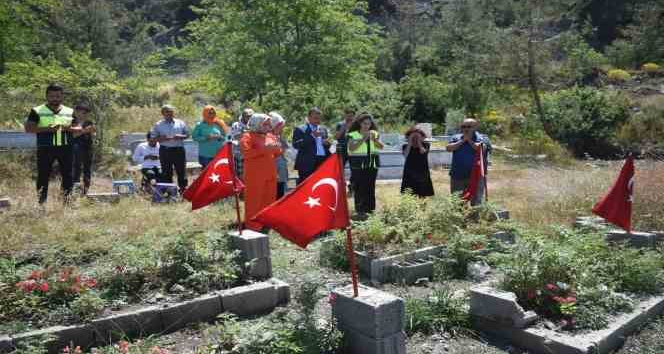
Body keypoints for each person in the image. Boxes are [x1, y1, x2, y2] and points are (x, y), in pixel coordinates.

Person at [24, 83, 81, 204]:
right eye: (52, 96)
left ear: (62, 97)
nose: (55, 99)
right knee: (43, 176)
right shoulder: (37, 110)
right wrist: (50, 129)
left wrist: (66, 128)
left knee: (68, 176)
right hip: (46, 148)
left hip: (66, 147)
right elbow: (29, 128)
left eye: (58, 96)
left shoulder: (69, 111)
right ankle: (41, 203)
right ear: (46, 96)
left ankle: (67, 202)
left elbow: (78, 129)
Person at [240, 113, 282, 231]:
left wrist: (277, 147)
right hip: (255, 175)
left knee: (269, 199)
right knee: (254, 200)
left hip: (270, 173)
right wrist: (264, 149)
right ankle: (252, 226)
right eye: (265, 123)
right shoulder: (247, 136)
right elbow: (246, 153)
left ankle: (265, 223)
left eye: (269, 123)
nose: (268, 126)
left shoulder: (270, 136)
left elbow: (278, 152)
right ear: (257, 123)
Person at [445, 118, 491, 205]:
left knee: (476, 202)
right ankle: (459, 218)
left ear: (475, 127)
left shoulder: (483, 137)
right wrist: (462, 141)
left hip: (476, 176)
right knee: (458, 202)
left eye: (469, 126)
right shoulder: (456, 137)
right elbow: (448, 148)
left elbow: (480, 148)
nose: (466, 129)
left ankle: (474, 218)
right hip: (458, 175)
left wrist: (469, 140)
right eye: (463, 126)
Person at [347, 113, 383, 217]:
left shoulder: (375, 133)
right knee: (359, 187)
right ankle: (360, 210)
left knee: (370, 186)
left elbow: (381, 147)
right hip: (358, 164)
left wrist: (374, 140)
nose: (367, 126)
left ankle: (370, 209)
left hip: (372, 163)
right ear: (359, 123)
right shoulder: (353, 134)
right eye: (364, 123)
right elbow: (351, 148)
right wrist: (363, 138)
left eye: (369, 123)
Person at [150, 104, 190, 192]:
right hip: (165, 150)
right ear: (163, 113)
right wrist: (161, 138)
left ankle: (184, 192)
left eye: (171, 111)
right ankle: (170, 192)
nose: (169, 113)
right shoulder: (158, 125)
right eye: (167, 112)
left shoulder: (180, 122)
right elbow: (153, 139)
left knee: (181, 171)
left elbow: (187, 135)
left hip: (178, 150)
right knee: (167, 172)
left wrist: (180, 136)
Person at [292, 107, 331, 184]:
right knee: (306, 186)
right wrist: (312, 136)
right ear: (309, 117)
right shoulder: (300, 129)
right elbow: (296, 144)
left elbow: (325, 145)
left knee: (320, 185)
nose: (318, 120)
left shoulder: (323, 129)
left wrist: (327, 144)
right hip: (307, 164)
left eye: (319, 118)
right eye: (315, 118)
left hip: (322, 162)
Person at [400, 127, 434, 197]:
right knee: (409, 195)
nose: (415, 139)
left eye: (418, 137)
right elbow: (405, 155)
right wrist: (410, 142)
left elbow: (423, 152)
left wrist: (419, 142)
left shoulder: (426, 145)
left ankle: (422, 208)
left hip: (422, 173)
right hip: (409, 173)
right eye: (413, 137)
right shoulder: (405, 146)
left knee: (422, 196)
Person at [70, 103, 96, 195]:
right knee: (76, 168)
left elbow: (93, 134)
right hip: (76, 148)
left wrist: (92, 131)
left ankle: (85, 191)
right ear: (77, 112)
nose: (85, 114)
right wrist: (84, 130)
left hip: (87, 147)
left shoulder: (89, 122)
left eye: (86, 113)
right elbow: (73, 135)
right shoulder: (72, 122)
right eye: (83, 112)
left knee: (87, 169)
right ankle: (75, 190)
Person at [268, 111, 289, 198]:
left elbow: (285, 149)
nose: (282, 129)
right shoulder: (268, 137)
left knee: (280, 193)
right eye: (280, 126)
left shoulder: (279, 137)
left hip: (280, 172)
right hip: (274, 173)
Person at [230, 108, 254, 181]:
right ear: (243, 116)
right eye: (248, 116)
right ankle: (241, 191)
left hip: (251, 154)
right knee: (240, 176)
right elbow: (236, 136)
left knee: (250, 176)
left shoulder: (253, 124)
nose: (249, 118)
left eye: (251, 116)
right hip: (239, 154)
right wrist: (248, 132)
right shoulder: (236, 125)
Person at [335, 108, 355, 192]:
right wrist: (344, 127)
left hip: (353, 149)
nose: (350, 118)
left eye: (352, 116)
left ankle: (352, 186)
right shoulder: (340, 124)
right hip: (342, 149)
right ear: (345, 115)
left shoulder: (356, 125)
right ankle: (341, 185)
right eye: (348, 115)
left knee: (354, 169)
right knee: (340, 169)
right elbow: (337, 137)